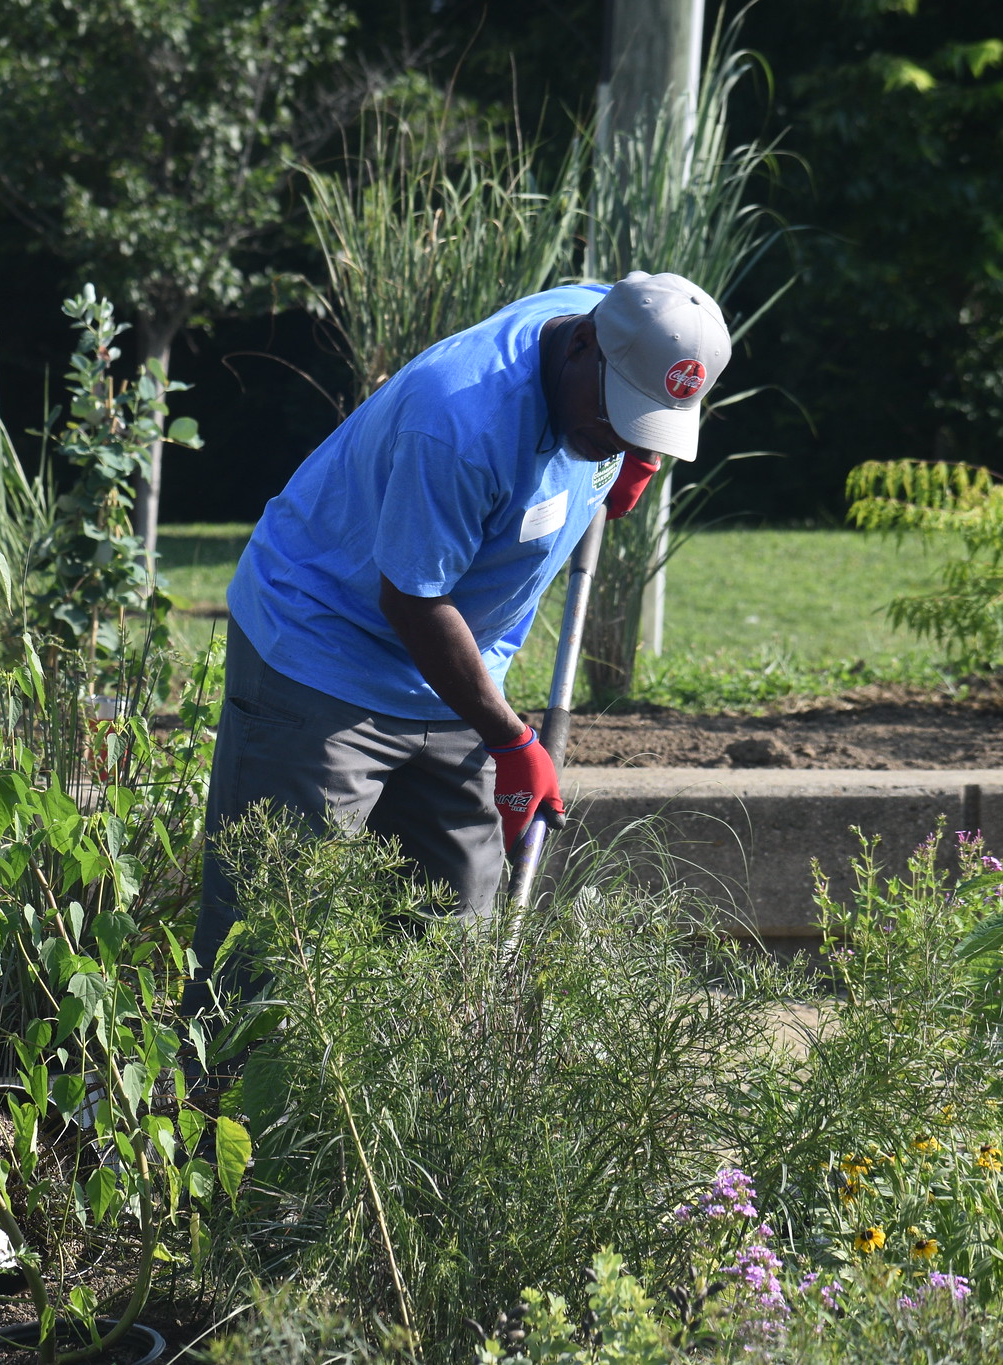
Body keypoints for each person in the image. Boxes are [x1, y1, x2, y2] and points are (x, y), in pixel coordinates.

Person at [188, 272, 732, 1003]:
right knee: (273, 939)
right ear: (580, 345)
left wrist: (634, 449)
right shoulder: (457, 418)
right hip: (324, 653)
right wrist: (511, 741)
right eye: (617, 416)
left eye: (649, 421)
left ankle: (421, 1118)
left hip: (459, 675)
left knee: (455, 955)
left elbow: (648, 363)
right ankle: (217, 1102)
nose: (618, 434)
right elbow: (413, 602)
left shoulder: (628, 328)